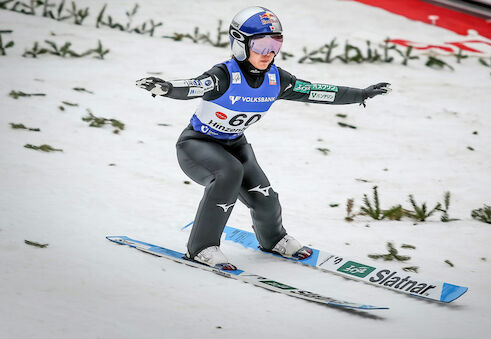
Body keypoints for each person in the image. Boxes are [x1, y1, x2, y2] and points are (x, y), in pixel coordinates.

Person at [136, 6, 390, 270]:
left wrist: (360, 94)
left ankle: (274, 238)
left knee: (265, 196)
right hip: (197, 145)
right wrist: (166, 88)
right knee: (229, 173)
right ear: (240, 43)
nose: (268, 53)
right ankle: (202, 247)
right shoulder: (224, 76)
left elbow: (315, 91)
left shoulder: (276, 79)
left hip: (235, 145)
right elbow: (194, 86)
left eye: (275, 44)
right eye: (260, 44)